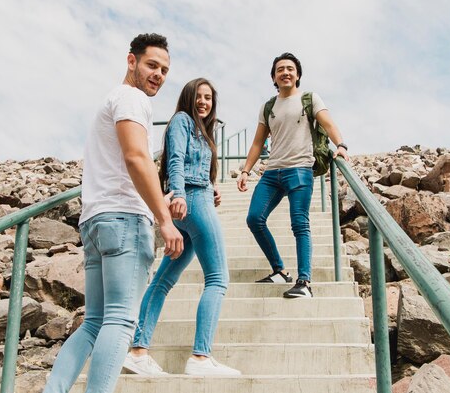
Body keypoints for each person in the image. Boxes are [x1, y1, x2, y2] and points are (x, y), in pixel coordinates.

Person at [43, 33, 184, 393]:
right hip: (123, 221)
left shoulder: (112, 100)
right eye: (152, 65)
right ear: (131, 60)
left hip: (96, 220)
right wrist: (164, 220)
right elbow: (136, 158)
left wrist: (160, 201)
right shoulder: (132, 98)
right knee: (120, 320)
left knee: (94, 323)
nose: (159, 75)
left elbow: (125, 166)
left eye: (165, 70)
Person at [123, 78, 241, 376]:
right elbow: (174, 159)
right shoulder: (181, 120)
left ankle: (138, 352)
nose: (204, 102)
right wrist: (177, 194)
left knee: (163, 281)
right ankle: (200, 358)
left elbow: (193, 164)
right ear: (188, 97)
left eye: (209, 98)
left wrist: (212, 186)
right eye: (199, 96)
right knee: (218, 278)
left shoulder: (202, 130)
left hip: (196, 197)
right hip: (190, 200)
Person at [237, 52, 349, 299]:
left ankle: (304, 282)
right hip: (272, 172)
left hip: (299, 170)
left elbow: (328, 124)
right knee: (254, 218)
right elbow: (258, 143)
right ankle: (279, 270)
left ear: (297, 75)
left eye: (290, 69)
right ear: (274, 77)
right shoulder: (268, 106)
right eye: (280, 70)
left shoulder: (309, 99)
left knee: (300, 224)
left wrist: (341, 145)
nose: (285, 72)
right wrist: (246, 170)